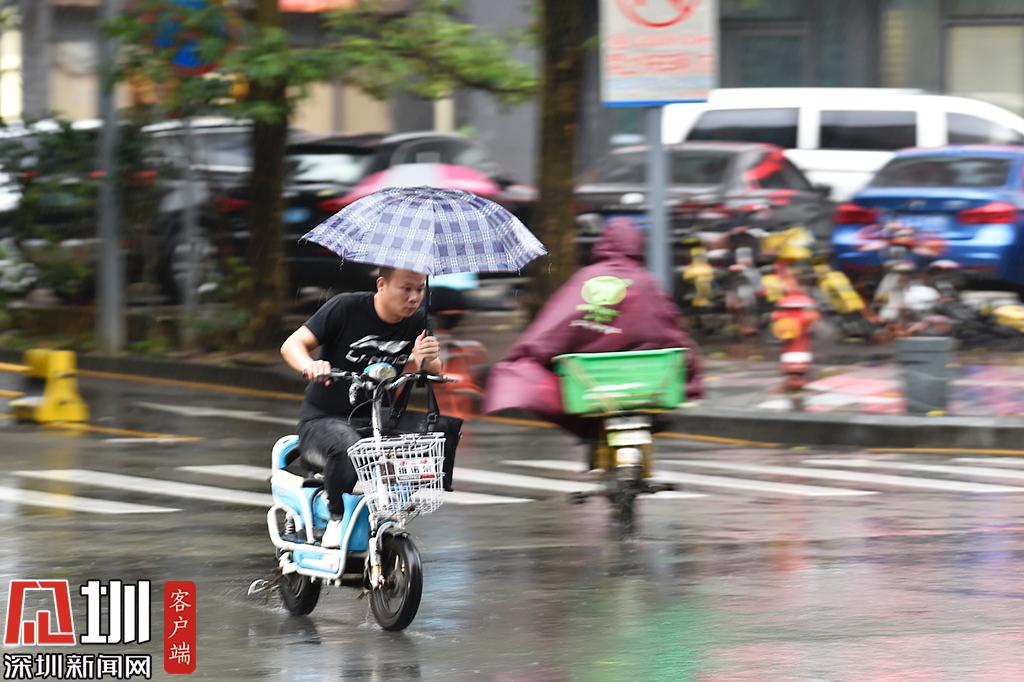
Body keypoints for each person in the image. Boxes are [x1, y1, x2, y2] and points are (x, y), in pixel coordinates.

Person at [484, 218, 703, 464]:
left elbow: (555, 324)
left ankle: (593, 440)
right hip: (644, 380)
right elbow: (669, 328)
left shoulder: (585, 278)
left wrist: (526, 355)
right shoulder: (647, 282)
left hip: (593, 383)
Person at [280, 267, 442, 548]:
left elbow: (434, 370)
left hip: (378, 422)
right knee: (349, 446)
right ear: (381, 284)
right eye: (406, 289)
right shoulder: (346, 308)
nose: (414, 297)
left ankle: (389, 514)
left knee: (417, 447)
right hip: (323, 420)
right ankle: (335, 516)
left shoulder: (418, 322)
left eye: (420, 289)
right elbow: (292, 345)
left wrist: (426, 359)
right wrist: (310, 365)